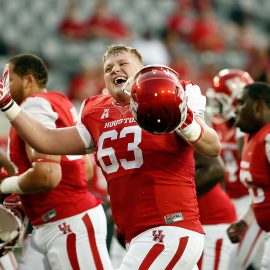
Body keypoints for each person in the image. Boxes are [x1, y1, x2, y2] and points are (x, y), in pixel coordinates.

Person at [0, 44, 221, 269]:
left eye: (123, 64)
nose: (115, 70)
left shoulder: (175, 91)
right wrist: (8, 105)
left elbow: (212, 147)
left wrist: (181, 119)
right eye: (108, 68)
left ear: (142, 70)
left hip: (171, 228)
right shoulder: (96, 111)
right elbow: (46, 140)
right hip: (136, 234)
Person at [0, 54, 113, 270]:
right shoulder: (60, 101)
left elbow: (47, 174)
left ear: (28, 81)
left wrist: (6, 186)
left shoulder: (33, 105)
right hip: (57, 220)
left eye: (10, 80)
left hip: (67, 219)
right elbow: (86, 169)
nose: (6, 86)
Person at [206, 68, 265, 269]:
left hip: (252, 199)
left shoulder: (253, 130)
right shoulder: (215, 123)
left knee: (238, 263)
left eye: (220, 100)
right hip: (230, 199)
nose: (215, 107)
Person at [227, 82, 270, 270]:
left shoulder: (268, 137)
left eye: (242, 103)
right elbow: (263, 192)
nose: (235, 110)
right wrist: (246, 221)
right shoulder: (252, 137)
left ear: (259, 107)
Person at [194, 152, 237, 270]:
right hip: (189, 222)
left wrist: (177, 193)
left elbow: (216, 169)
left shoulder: (178, 134)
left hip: (212, 221)